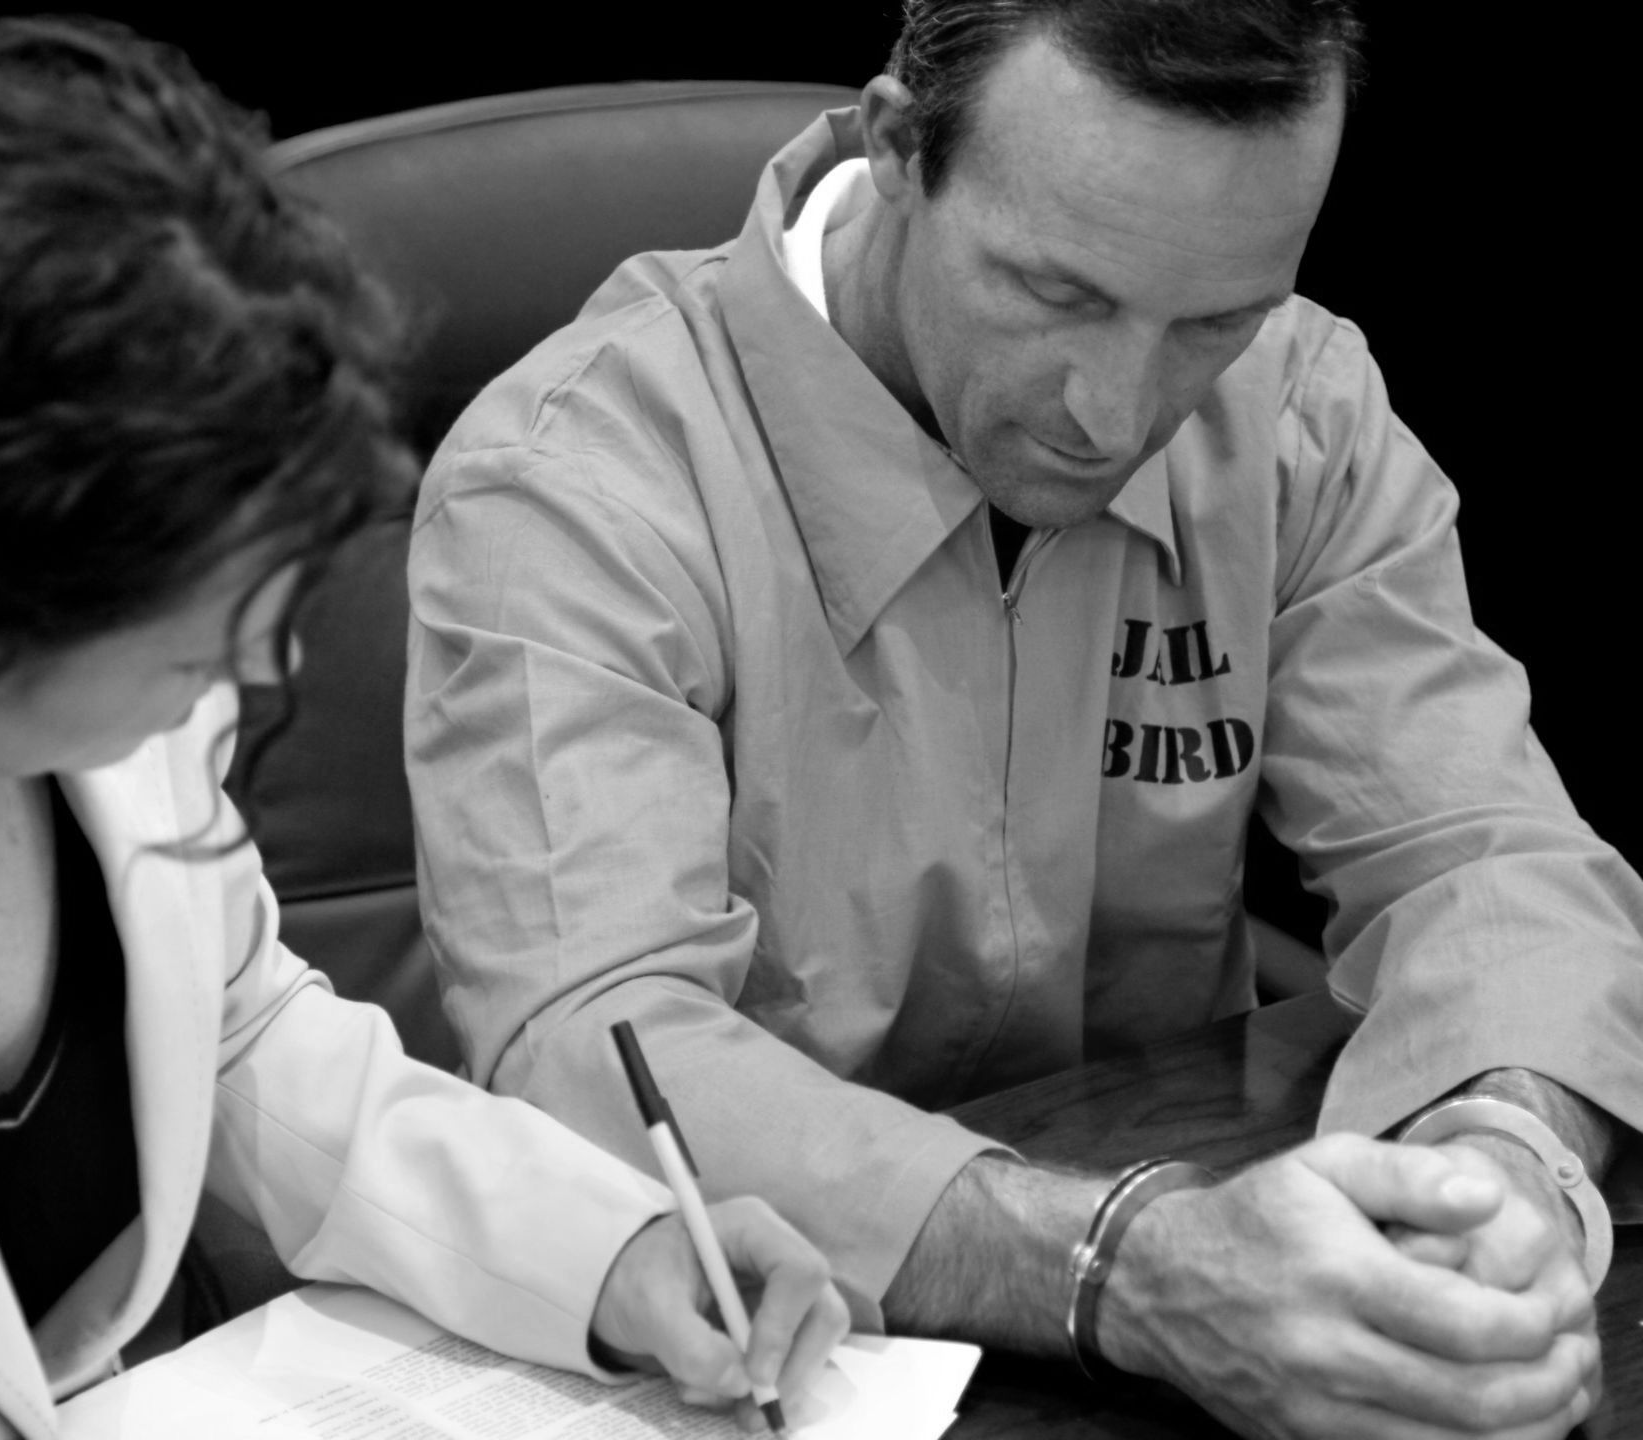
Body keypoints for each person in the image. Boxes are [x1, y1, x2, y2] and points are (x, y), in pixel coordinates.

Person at [404, 2, 1643, 1437]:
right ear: (898, 148)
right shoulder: (572, 481)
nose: (1114, 414)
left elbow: (1494, 865)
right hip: (758, 1360)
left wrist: (1503, 1167)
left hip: (1213, 1307)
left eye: (1215, 321)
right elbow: (595, 1049)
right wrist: (1125, 1268)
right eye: (1056, 294)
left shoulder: (1295, 406)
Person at [0, 19, 850, 1439]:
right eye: (194, 634)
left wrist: (604, 1252)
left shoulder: (95, 677)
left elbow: (239, 1036)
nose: (260, 669)